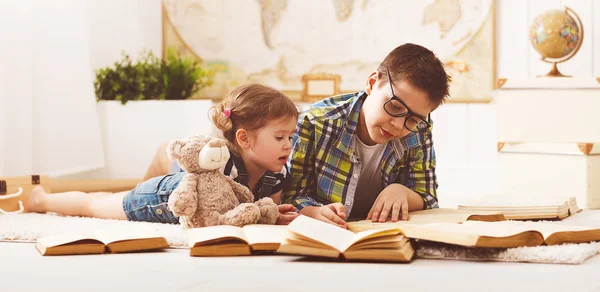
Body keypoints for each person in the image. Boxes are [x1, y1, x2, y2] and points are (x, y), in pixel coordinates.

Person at [28, 84, 300, 225]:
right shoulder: (221, 161)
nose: (288, 144)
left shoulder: (278, 172)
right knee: (93, 207)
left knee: (105, 199)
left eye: (290, 136)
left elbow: (266, 206)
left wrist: (275, 214)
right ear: (244, 139)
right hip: (159, 198)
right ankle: (41, 200)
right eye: (279, 137)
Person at [283, 43, 451, 228]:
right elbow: (292, 196)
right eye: (395, 106)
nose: (398, 124)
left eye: (413, 120)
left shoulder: (419, 131)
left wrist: (402, 192)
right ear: (372, 83)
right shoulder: (314, 122)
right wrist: (313, 212)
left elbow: (428, 197)